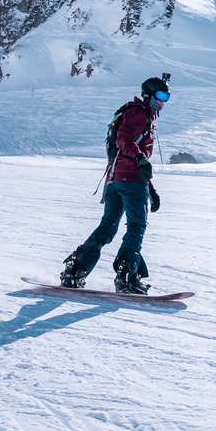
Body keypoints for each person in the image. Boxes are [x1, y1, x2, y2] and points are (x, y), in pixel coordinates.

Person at [59, 76, 171, 293]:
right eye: (160, 96)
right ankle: (127, 275)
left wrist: (151, 188)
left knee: (107, 228)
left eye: (167, 97)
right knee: (137, 226)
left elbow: (127, 149)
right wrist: (140, 159)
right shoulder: (139, 112)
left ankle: (76, 269)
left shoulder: (139, 113)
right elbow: (123, 140)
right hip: (130, 181)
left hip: (116, 180)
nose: (163, 102)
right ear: (148, 95)